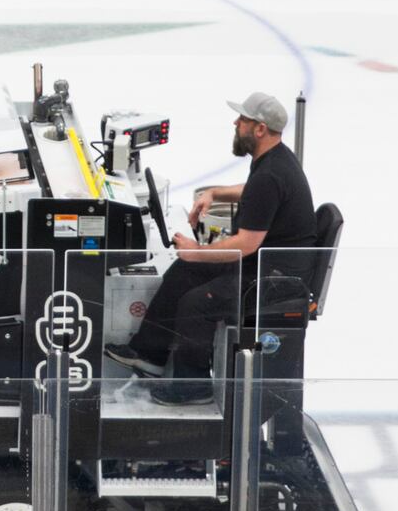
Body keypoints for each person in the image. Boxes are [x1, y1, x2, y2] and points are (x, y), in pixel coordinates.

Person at [133, 91, 317, 402]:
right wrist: (216, 193)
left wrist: (196, 250)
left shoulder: (271, 173)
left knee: (197, 303)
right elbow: (254, 192)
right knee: (185, 270)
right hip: (265, 266)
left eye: (243, 119)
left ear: (259, 129)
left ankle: (194, 387)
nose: (236, 123)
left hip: (273, 280)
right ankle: (150, 354)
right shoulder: (275, 161)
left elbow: (246, 244)